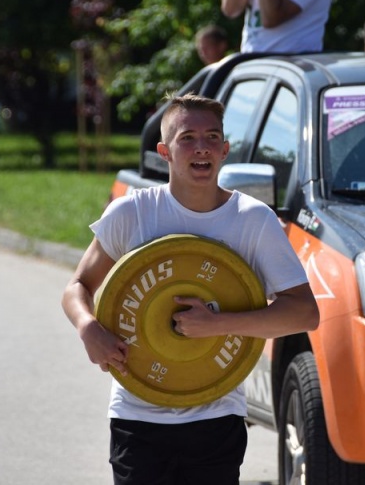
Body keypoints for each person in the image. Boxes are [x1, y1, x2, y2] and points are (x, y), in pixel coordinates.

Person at [61, 93, 320, 485]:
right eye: (187, 138)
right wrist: (88, 327)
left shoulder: (252, 220)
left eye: (212, 137)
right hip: (137, 413)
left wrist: (217, 324)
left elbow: (304, 313)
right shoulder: (133, 212)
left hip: (216, 415)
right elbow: (77, 286)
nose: (202, 147)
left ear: (225, 150)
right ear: (164, 151)